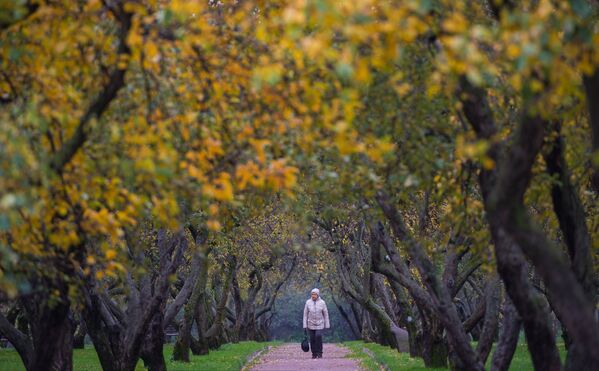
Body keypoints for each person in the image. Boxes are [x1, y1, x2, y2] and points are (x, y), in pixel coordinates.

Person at [303, 288, 330, 359]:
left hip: (320, 323)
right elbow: (305, 315)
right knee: (312, 339)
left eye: (314, 294)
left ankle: (320, 353)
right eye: (312, 294)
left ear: (318, 295)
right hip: (310, 323)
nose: (313, 296)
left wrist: (327, 324)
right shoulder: (308, 302)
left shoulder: (322, 302)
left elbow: (326, 314)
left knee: (318, 336)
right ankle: (314, 353)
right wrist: (304, 325)